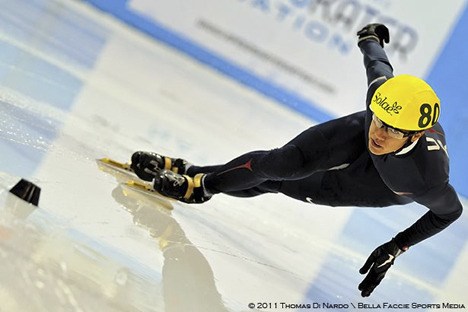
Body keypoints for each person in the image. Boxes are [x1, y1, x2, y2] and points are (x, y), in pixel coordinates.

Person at [129, 24, 463, 297]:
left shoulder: (424, 177)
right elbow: (378, 64)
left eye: (392, 130)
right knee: (281, 164)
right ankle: (198, 186)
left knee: (274, 182)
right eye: (378, 119)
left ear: (414, 136)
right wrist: (369, 36)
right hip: (351, 136)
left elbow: (450, 212)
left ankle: (189, 171)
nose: (380, 132)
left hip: (378, 183)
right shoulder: (380, 102)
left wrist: (396, 245)